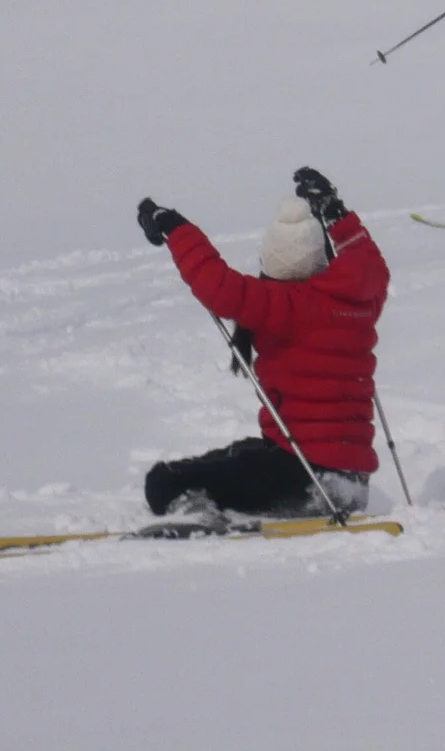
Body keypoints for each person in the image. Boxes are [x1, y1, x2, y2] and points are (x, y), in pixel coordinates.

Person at [135, 167, 390, 519]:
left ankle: (194, 512)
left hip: (301, 477)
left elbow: (217, 284)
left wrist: (173, 226)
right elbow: (367, 261)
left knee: (163, 482)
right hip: (349, 480)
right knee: (241, 452)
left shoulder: (282, 304)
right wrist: (333, 210)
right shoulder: (358, 298)